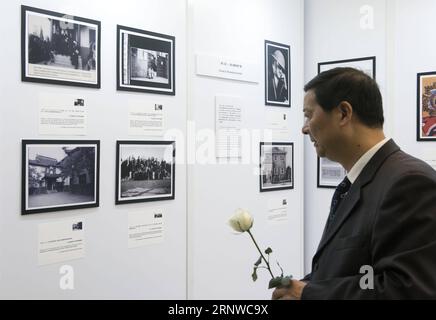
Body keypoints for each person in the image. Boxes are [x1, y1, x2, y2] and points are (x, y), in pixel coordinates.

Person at [272, 67, 436, 299]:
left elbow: (407, 289)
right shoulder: (363, 181)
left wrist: (310, 294)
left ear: (343, 113)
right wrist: (305, 285)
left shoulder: (409, 183)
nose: (304, 127)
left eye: (309, 115)